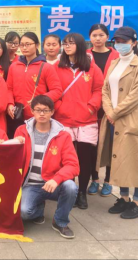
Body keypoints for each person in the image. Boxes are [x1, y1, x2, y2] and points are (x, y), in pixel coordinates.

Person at [97, 27, 138, 220]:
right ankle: (124, 197)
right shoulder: (114, 63)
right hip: (113, 119)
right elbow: (105, 90)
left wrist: (114, 112)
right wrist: (109, 111)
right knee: (118, 158)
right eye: (118, 41)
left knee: (136, 160)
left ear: (134, 43)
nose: (120, 44)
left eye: (125, 41)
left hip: (132, 119)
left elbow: (135, 96)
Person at [15, 95, 79, 239]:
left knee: (70, 187)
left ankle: (60, 221)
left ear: (52, 112)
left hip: (52, 184)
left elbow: (73, 165)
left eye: (46, 110)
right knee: (24, 212)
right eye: (38, 110)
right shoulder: (21, 131)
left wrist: (56, 179)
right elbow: (12, 158)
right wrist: (12, 144)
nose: (42, 114)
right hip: (30, 185)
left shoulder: (63, 135)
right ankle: (39, 208)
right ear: (32, 111)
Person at [54, 33, 104, 210]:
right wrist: (59, 107)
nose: (67, 46)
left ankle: (82, 192)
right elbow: (53, 89)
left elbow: (99, 90)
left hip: (86, 120)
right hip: (63, 119)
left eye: (71, 43)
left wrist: (91, 107)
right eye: (65, 43)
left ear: (80, 45)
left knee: (85, 158)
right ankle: (70, 192)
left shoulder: (92, 68)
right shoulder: (57, 67)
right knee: (66, 159)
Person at [6, 32, 63, 139]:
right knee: (19, 143)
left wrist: (40, 101)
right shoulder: (14, 66)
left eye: (28, 44)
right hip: (17, 115)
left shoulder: (46, 67)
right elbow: (9, 88)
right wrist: (10, 104)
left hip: (38, 115)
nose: (24, 47)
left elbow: (57, 90)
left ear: (37, 45)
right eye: (22, 45)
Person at [87, 24, 119, 197]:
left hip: (111, 107)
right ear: (90, 37)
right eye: (94, 35)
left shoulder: (117, 56)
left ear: (107, 37)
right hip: (90, 107)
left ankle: (108, 180)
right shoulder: (85, 56)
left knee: (109, 145)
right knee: (92, 144)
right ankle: (94, 179)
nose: (98, 38)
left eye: (101, 35)